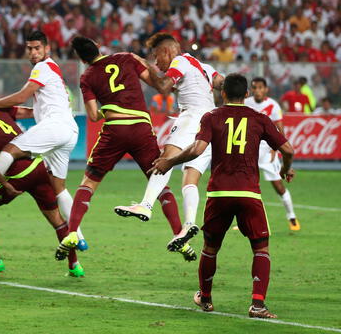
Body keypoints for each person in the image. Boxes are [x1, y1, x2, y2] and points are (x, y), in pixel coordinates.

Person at [149, 73, 295, 319]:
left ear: (222, 93)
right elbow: (288, 149)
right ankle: (258, 305)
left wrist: (169, 161)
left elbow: (197, 149)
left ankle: (205, 299)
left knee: (210, 248)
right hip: (249, 192)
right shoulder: (260, 119)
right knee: (261, 249)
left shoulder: (212, 117)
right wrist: (284, 168)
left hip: (219, 193)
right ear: (247, 94)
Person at [56, 36, 196, 262]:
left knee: (89, 182)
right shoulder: (125, 58)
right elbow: (154, 82)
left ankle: (73, 231)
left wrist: (109, 108)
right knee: (159, 181)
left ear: (81, 59)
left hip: (115, 129)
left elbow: (92, 116)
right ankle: (181, 238)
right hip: (141, 127)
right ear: (99, 47)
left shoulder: (87, 76)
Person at [0, 31, 88, 251]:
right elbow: (29, 107)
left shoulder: (42, 67)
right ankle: (77, 236)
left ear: (47, 49)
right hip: (70, 131)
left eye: (37, 48)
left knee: (11, 149)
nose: (32, 52)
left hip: (55, 126)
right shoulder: (53, 69)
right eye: (29, 48)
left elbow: (21, 97)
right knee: (59, 188)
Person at [0, 89, 83, 278]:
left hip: (19, 173)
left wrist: (4, 183)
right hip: (39, 166)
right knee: (56, 219)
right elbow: (30, 112)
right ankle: (75, 265)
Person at [117, 33, 224, 253]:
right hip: (212, 120)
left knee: (166, 158)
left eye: (157, 57)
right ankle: (188, 225)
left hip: (192, 116)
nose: (157, 63)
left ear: (167, 51)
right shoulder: (202, 66)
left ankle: (146, 205)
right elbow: (222, 83)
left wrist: (144, 68)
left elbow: (165, 86)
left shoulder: (179, 61)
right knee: (190, 179)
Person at [245, 77, 300, 230]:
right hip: (249, 149)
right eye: (254, 87)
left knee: (278, 186)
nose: (257, 90)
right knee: (245, 185)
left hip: (267, 150)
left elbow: (280, 131)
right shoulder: (246, 103)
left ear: (266, 89)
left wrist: (275, 149)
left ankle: (291, 216)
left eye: (260, 87)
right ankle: (244, 220)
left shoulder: (273, 105)